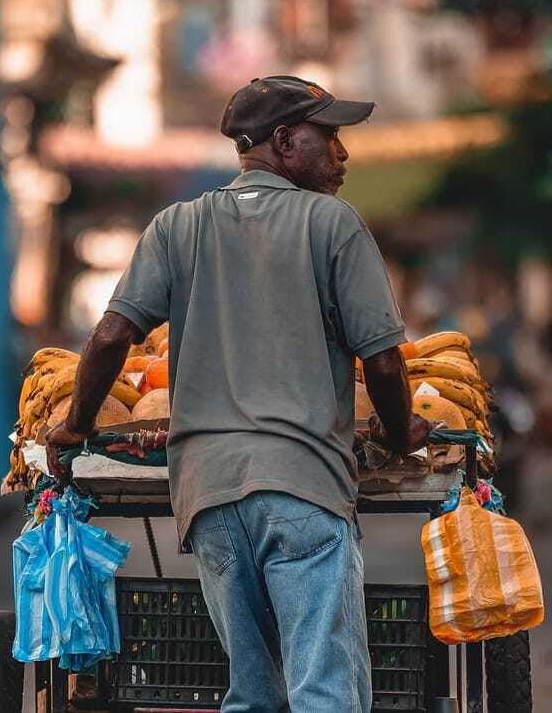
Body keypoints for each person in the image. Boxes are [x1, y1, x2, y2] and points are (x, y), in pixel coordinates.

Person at [46, 75, 432, 713]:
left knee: (252, 696)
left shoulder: (177, 225)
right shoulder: (333, 224)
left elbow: (113, 333)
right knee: (323, 693)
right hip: (303, 487)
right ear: (284, 141)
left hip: (210, 497)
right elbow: (385, 364)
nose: (342, 156)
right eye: (327, 138)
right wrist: (398, 432)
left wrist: (75, 426)